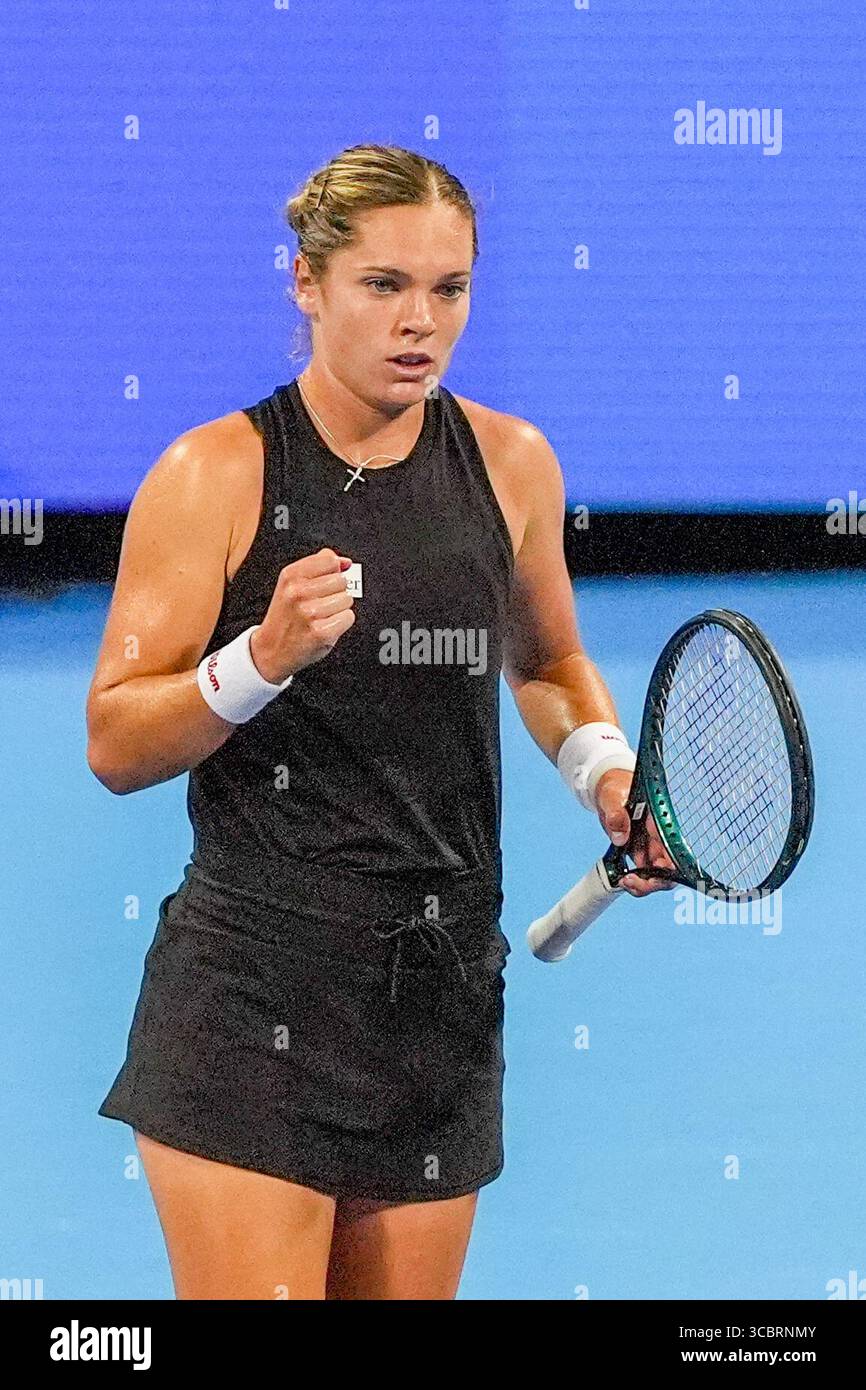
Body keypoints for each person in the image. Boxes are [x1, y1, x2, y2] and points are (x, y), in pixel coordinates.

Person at [88, 143, 675, 1301]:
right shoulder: (211, 474)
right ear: (306, 284)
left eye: (447, 289)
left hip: (439, 1006)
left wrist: (605, 772)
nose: (421, 322)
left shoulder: (511, 465)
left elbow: (547, 656)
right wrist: (255, 661)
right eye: (382, 285)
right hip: (253, 1003)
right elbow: (115, 741)